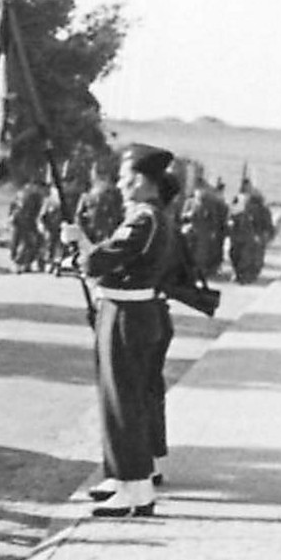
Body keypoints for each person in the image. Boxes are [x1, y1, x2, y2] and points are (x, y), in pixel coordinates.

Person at [62, 144, 182, 517]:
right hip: (122, 308)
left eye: (125, 177)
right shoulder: (145, 216)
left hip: (130, 314)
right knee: (117, 399)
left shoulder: (145, 219)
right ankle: (123, 477)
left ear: (143, 181)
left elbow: (104, 259)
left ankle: (137, 489)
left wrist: (80, 242)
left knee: (125, 400)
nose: (120, 183)